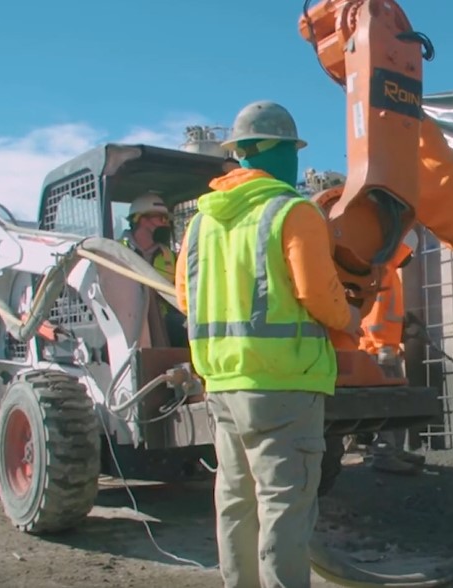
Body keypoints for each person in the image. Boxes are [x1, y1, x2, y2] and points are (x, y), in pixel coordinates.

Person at [174, 100, 362, 588]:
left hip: (222, 383)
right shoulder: (292, 212)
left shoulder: (199, 223)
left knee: (236, 502)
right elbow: (317, 293)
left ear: (240, 155)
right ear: (284, 153)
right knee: (284, 504)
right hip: (284, 383)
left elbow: (184, 298)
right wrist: (350, 316)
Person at [357, 229, 427, 475]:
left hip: (386, 347)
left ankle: (394, 449)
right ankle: (385, 453)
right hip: (379, 350)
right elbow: (374, 315)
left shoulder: (387, 270)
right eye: (409, 253)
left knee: (399, 401)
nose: (409, 259)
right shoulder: (384, 271)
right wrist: (382, 346)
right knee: (389, 402)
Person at [119, 191, 188, 347]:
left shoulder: (169, 256)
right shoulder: (116, 253)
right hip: (128, 322)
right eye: (161, 219)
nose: (166, 224)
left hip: (163, 321)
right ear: (141, 219)